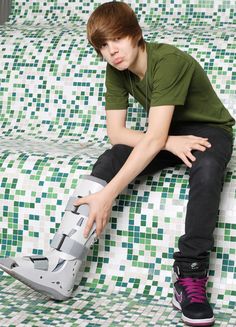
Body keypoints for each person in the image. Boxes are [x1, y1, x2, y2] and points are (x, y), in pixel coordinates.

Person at [0, 2, 234, 327]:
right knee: (112, 157)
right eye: (103, 47)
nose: (112, 52)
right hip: (165, 132)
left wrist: (109, 193)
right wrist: (168, 141)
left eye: (117, 40)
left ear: (135, 33)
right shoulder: (117, 71)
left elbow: (150, 138)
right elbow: (117, 133)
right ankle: (62, 261)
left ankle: (189, 276)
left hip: (209, 130)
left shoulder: (168, 61)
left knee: (207, 170)